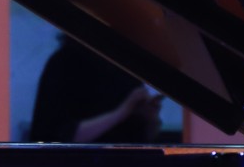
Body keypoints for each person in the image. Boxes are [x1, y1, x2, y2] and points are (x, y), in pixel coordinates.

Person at [28, 33, 163, 143]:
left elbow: (145, 136)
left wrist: (149, 117)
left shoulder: (128, 65)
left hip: (128, 162)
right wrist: (121, 112)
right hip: (80, 164)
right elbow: (53, 137)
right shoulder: (65, 62)